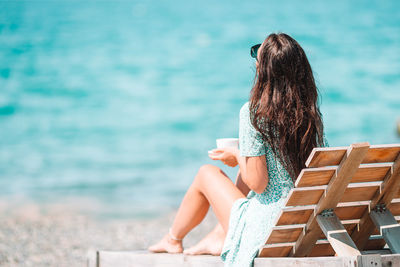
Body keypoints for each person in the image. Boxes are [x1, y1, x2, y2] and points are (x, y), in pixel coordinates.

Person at [148, 33, 326, 267]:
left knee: (206, 173)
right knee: (250, 158)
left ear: (263, 68)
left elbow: (259, 184)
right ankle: (219, 236)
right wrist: (246, 155)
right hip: (302, 220)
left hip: (267, 229)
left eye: (257, 55)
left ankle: (173, 239)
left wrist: (237, 156)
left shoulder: (254, 112)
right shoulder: (309, 113)